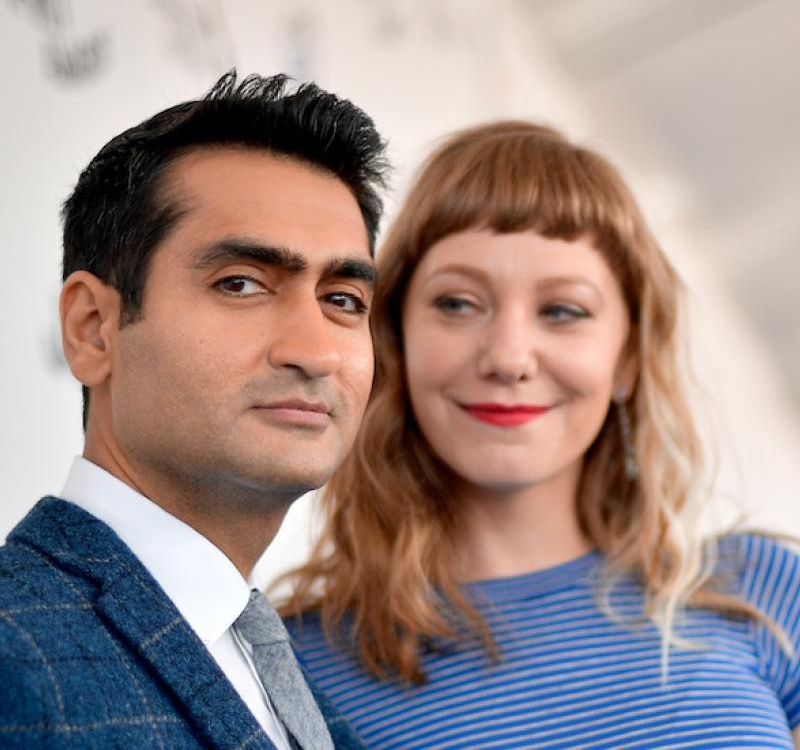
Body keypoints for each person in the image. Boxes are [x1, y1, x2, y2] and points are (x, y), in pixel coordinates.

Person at [282, 121, 800, 749]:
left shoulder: (765, 595)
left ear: (628, 359)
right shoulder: (294, 669)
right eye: (458, 304)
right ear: (394, 339)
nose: (508, 357)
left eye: (562, 311)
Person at [0, 71, 388, 749]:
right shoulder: (15, 658)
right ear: (94, 328)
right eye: (241, 284)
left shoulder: (302, 688)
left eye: (343, 300)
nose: (315, 350)